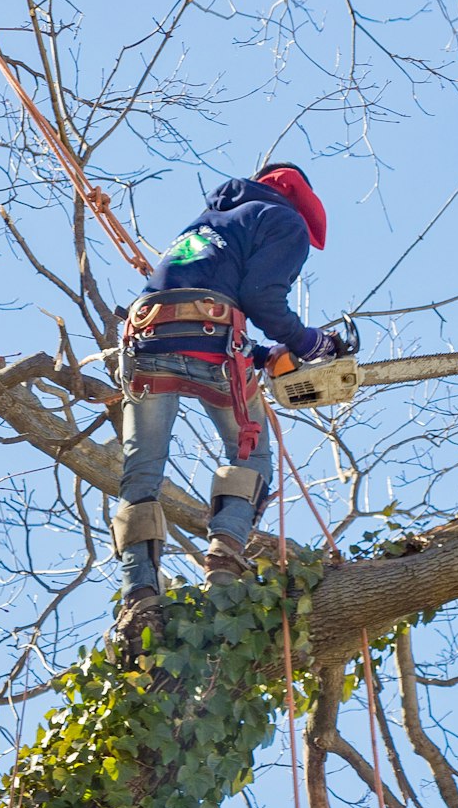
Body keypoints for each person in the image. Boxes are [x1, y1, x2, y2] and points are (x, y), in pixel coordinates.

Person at [110, 162, 348, 633]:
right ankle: (224, 554)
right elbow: (262, 300)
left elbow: (211, 297)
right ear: (301, 200)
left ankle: (138, 593)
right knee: (253, 454)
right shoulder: (285, 221)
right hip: (212, 344)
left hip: (148, 343)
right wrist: (309, 343)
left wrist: (261, 355)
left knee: (140, 474)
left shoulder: (205, 222)